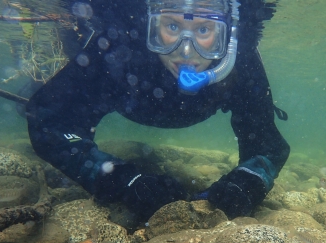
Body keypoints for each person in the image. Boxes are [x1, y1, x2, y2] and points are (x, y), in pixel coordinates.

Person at [26, 0, 290, 222]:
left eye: (204, 30)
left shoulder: (239, 64)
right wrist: (120, 180)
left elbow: (268, 146)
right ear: (151, 26)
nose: (186, 51)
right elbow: (48, 122)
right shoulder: (120, 49)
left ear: (226, 38)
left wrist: (246, 183)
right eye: (172, 26)